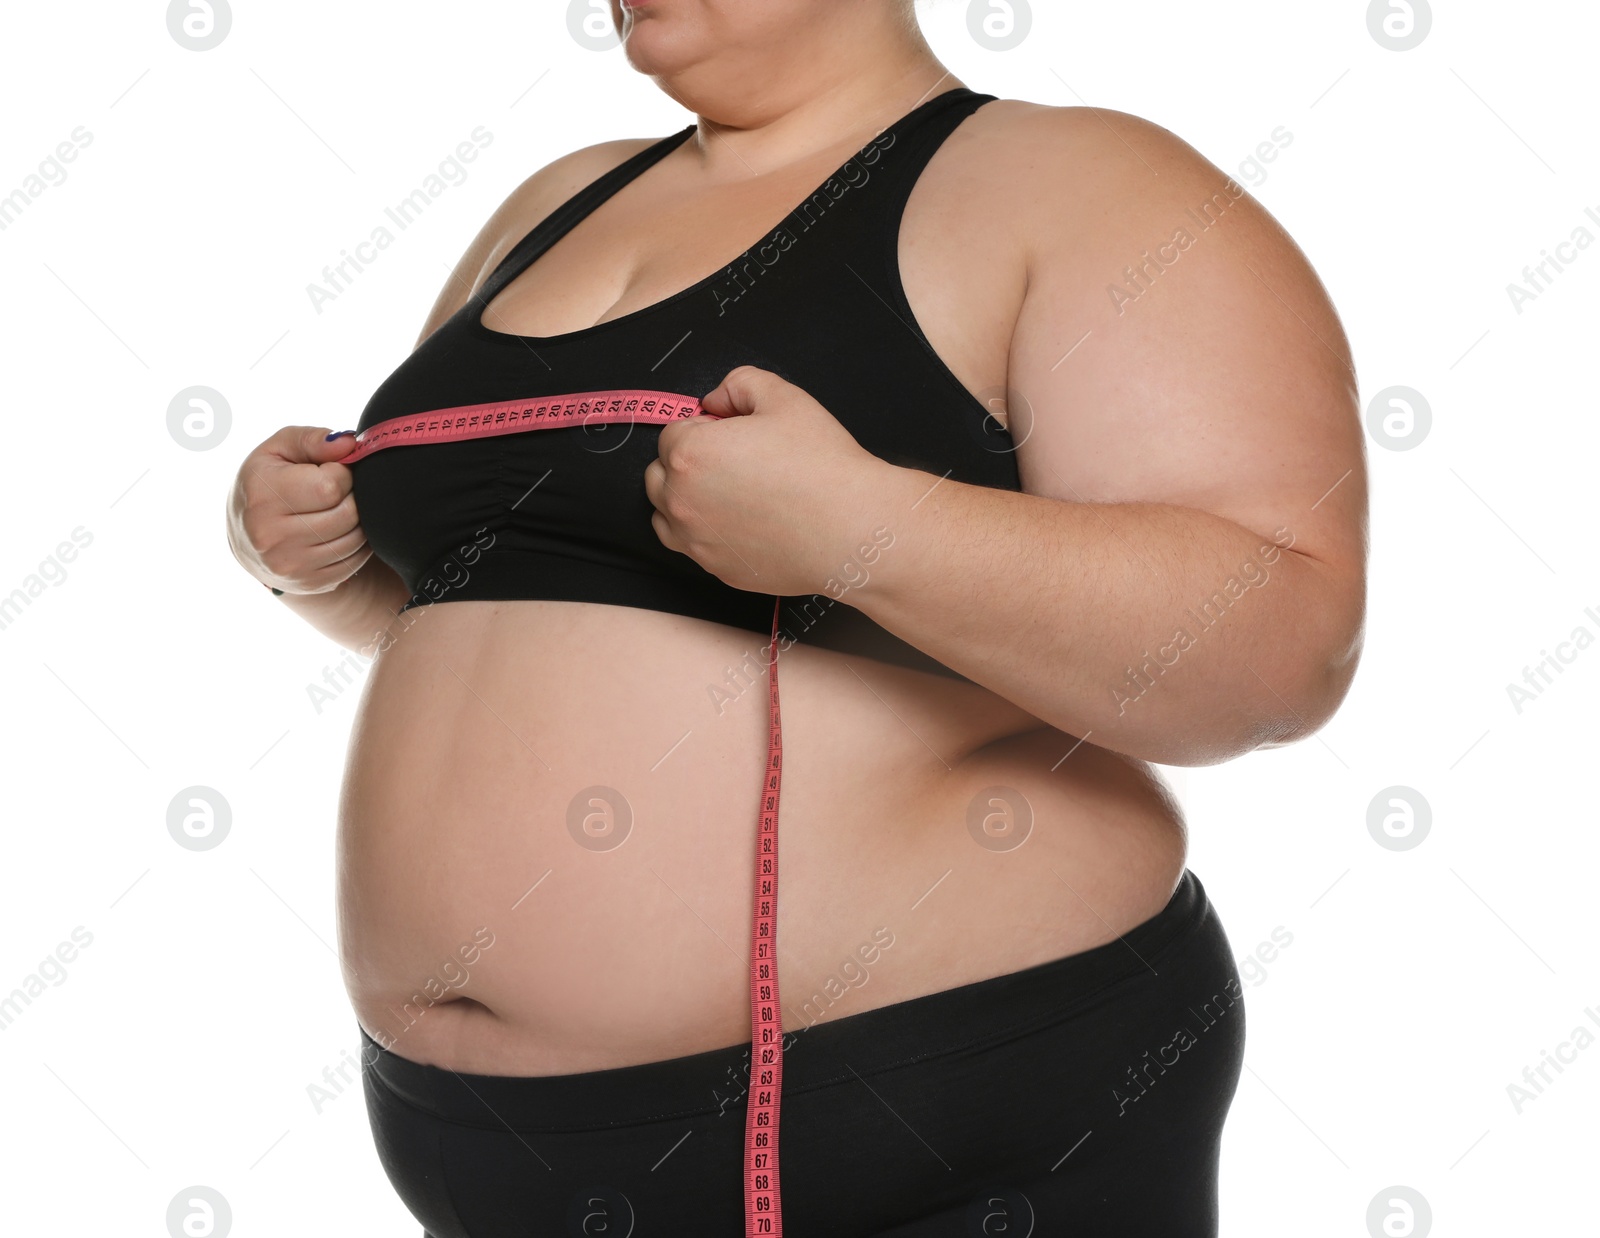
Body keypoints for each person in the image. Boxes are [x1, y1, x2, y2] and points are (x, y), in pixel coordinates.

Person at [225, 1, 1366, 1233]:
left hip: (928, 1113)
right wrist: (330, 575)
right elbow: (516, 625)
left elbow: (1280, 646)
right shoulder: (551, 201)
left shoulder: (1078, 182)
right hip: (485, 1149)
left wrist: (867, 528)